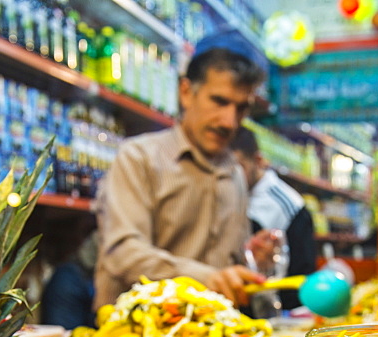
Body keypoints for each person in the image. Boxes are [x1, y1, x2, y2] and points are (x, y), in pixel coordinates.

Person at [93, 31, 273, 309]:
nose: (229, 121)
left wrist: (250, 262)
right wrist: (207, 279)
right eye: (219, 101)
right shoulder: (139, 158)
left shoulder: (234, 173)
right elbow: (123, 253)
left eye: (241, 108)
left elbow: (227, 267)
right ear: (186, 92)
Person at [230, 126, 318, 310]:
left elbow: (302, 273)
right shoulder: (227, 194)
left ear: (258, 161)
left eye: (238, 169)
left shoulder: (287, 205)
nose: (231, 178)